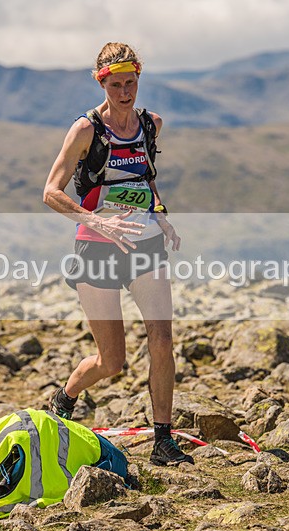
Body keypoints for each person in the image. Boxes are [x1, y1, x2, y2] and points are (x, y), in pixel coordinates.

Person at [42, 42, 193, 466]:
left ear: (139, 79)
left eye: (131, 83)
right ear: (101, 82)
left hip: (145, 245)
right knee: (112, 361)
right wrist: (98, 220)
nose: (125, 91)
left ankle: (163, 439)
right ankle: (64, 398)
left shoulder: (151, 125)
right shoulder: (86, 130)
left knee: (162, 341)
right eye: (116, 84)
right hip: (96, 248)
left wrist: (160, 213)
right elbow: (50, 192)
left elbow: (146, 178)